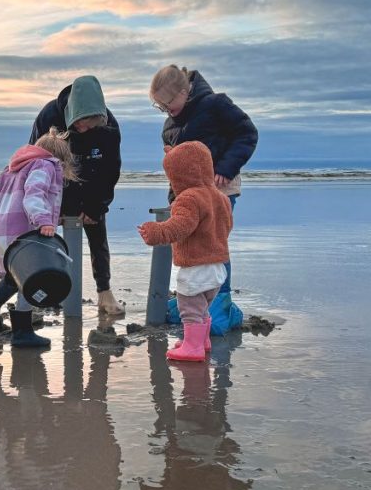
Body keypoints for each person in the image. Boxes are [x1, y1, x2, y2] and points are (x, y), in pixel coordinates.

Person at [149, 65, 257, 296]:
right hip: (187, 194)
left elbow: (247, 134)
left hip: (220, 187)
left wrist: (226, 168)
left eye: (167, 103)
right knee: (190, 244)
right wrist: (174, 199)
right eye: (160, 106)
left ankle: (220, 299)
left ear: (183, 91)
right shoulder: (169, 126)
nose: (166, 110)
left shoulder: (216, 104)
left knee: (213, 243)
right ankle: (194, 296)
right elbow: (175, 168)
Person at [30, 75, 125, 316]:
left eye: (91, 124)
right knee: (46, 239)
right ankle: (40, 294)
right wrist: (56, 208)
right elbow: (35, 165)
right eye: (80, 123)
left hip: (92, 188)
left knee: (98, 236)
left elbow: (110, 170)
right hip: (56, 189)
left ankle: (104, 292)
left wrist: (97, 207)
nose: (84, 129)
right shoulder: (49, 117)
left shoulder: (109, 126)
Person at [0, 128, 77, 348]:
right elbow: (35, 194)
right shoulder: (45, 165)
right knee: (32, 277)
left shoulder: (9, 170)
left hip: (1, 233)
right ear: (60, 158)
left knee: (17, 276)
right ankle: (22, 332)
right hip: (24, 232)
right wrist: (44, 220)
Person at [137, 141, 233, 361]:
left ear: (180, 174)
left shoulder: (188, 198)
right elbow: (227, 226)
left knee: (189, 307)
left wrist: (155, 232)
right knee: (202, 307)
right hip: (217, 266)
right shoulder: (221, 197)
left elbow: (179, 227)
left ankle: (193, 347)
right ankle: (202, 340)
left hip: (196, 265)